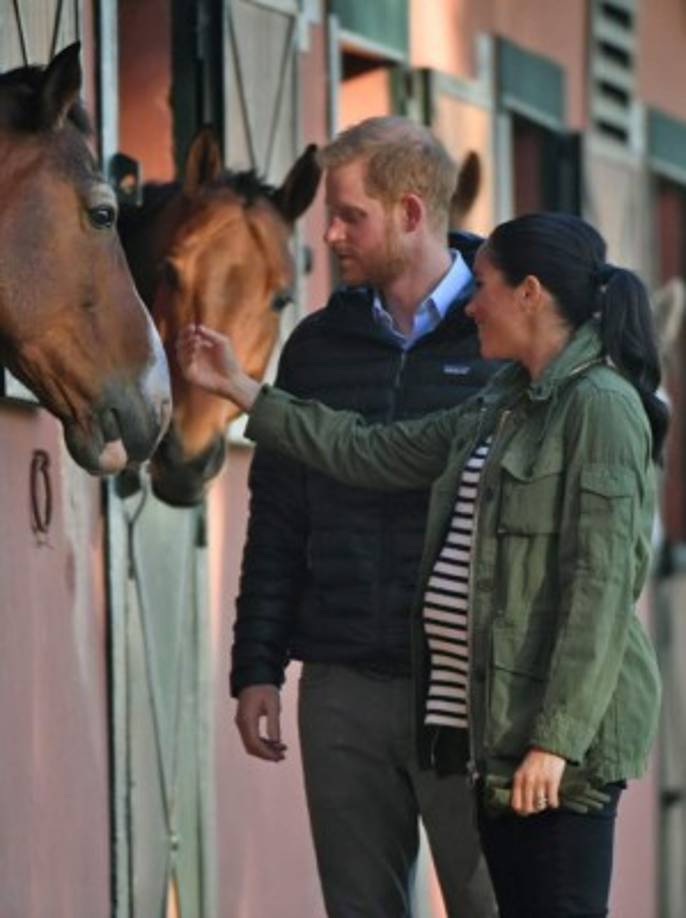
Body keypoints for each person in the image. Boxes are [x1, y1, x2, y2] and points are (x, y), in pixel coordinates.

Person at [178, 211, 667, 918]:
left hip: (554, 756)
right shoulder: (505, 401)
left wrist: (554, 745)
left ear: (529, 293)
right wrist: (247, 392)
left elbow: (597, 591)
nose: (470, 306)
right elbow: (373, 451)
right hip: (497, 745)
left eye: (486, 288)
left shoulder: (601, 408)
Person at [230, 115, 498, 918]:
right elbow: (277, 516)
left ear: (412, 214)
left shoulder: (506, 338)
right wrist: (256, 665)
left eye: (350, 216)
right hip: (341, 687)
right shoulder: (314, 348)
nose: (332, 235)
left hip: (467, 693)